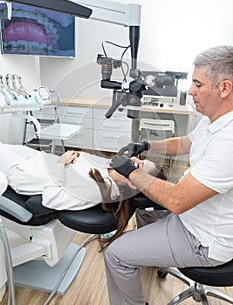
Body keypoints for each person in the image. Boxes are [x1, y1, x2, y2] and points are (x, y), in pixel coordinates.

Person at [104, 45, 233, 305]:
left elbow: (177, 201)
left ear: (224, 88)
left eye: (198, 85)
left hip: (203, 239)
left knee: (115, 253)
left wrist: (131, 171)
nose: (191, 91)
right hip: (195, 216)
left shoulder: (228, 141)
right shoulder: (214, 121)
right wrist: (147, 146)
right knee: (145, 208)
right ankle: (150, 257)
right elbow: (185, 143)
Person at [0, 142, 165, 247]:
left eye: (138, 165)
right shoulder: (110, 169)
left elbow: (49, 199)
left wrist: (62, 163)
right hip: (35, 160)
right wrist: (75, 157)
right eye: (139, 159)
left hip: (23, 173)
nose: (134, 159)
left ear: (132, 182)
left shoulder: (95, 189)